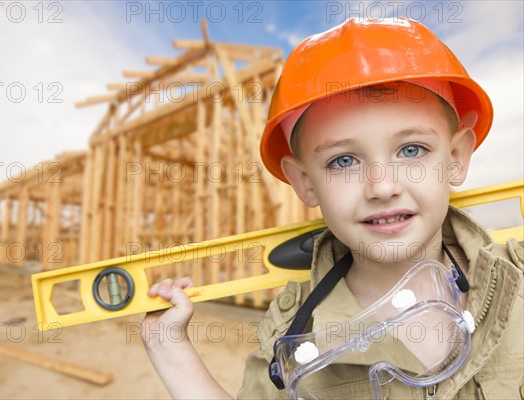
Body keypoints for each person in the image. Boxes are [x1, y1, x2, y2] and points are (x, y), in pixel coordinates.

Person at [140, 18, 523, 399]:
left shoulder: (517, 281)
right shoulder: (291, 341)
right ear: (305, 182)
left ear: (456, 157)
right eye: (343, 161)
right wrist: (167, 345)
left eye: (411, 150)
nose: (383, 187)